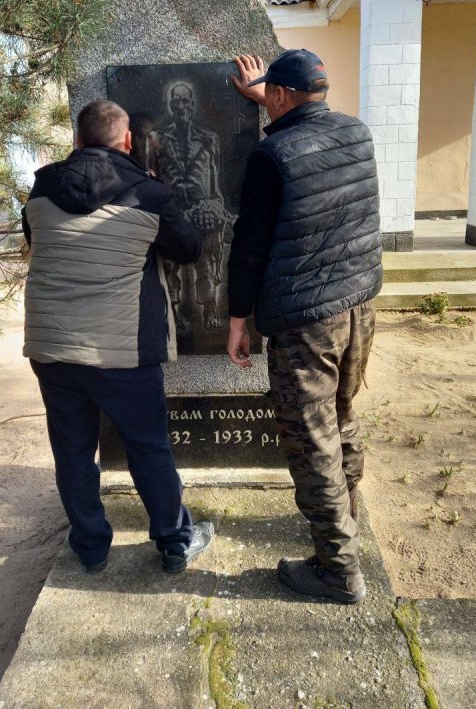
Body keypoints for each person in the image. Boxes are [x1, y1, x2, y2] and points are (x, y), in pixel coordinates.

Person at [22, 100, 214, 574]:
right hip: (121, 349)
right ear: (128, 142)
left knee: (71, 450)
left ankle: (89, 546)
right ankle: (173, 540)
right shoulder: (147, 192)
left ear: (77, 140)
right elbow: (188, 248)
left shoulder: (44, 184)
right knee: (148, 446)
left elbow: (35, 238)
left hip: (51, 347)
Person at [227, 51, 383, 604]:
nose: (265, 94)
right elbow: (308, 136)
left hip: (305, 320)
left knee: (310, 437)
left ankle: (337, 570)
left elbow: (248, 246)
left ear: (284, 96)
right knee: (341, 416)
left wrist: (238, 318)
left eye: (270, 90)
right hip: (359, 306)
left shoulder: (272, 156)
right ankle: (344, 517)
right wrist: (263, 98)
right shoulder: (355, 133)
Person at [150, 82, 229, 332]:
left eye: (186, 101)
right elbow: (151, 177)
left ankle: (209, 307)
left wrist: (216, 206)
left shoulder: (208, 138)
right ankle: (172, 310)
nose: (181, 106)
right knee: (167, 262)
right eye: (177, 102)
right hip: (171, 208)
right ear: (171, 105)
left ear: (192, 105)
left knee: (206, 258)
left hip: (200, 208)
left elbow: (214, 178)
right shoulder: (156, 139)